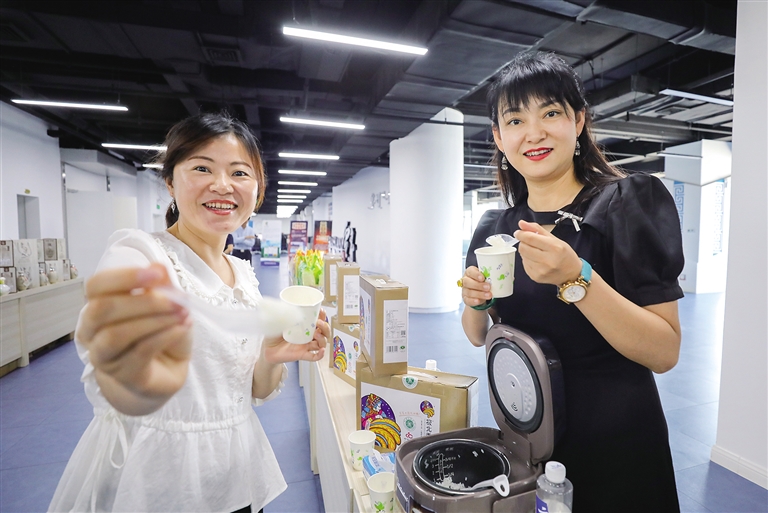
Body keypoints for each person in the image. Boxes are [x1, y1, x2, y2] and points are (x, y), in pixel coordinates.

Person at [49, 112, 329, 513]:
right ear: (170, 182)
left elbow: (254, 390)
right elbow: (111, 360)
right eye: (202, 168)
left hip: (238, 475)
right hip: (158, 480)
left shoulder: (244, 276)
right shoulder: (141, 254)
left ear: (258, 190)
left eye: (239, 173)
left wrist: (271, 355)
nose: (222, 185)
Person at [461, 52, 683, 512]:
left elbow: (664, 351)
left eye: (550, 113)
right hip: (528, 438)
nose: (534, 133)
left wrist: (576, 277)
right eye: (515, 120)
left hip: (616, 447)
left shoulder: (626, 204)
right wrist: (475, 302)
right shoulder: (496, 230)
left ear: (578, 121)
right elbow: (478, 334)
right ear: (499, 138)